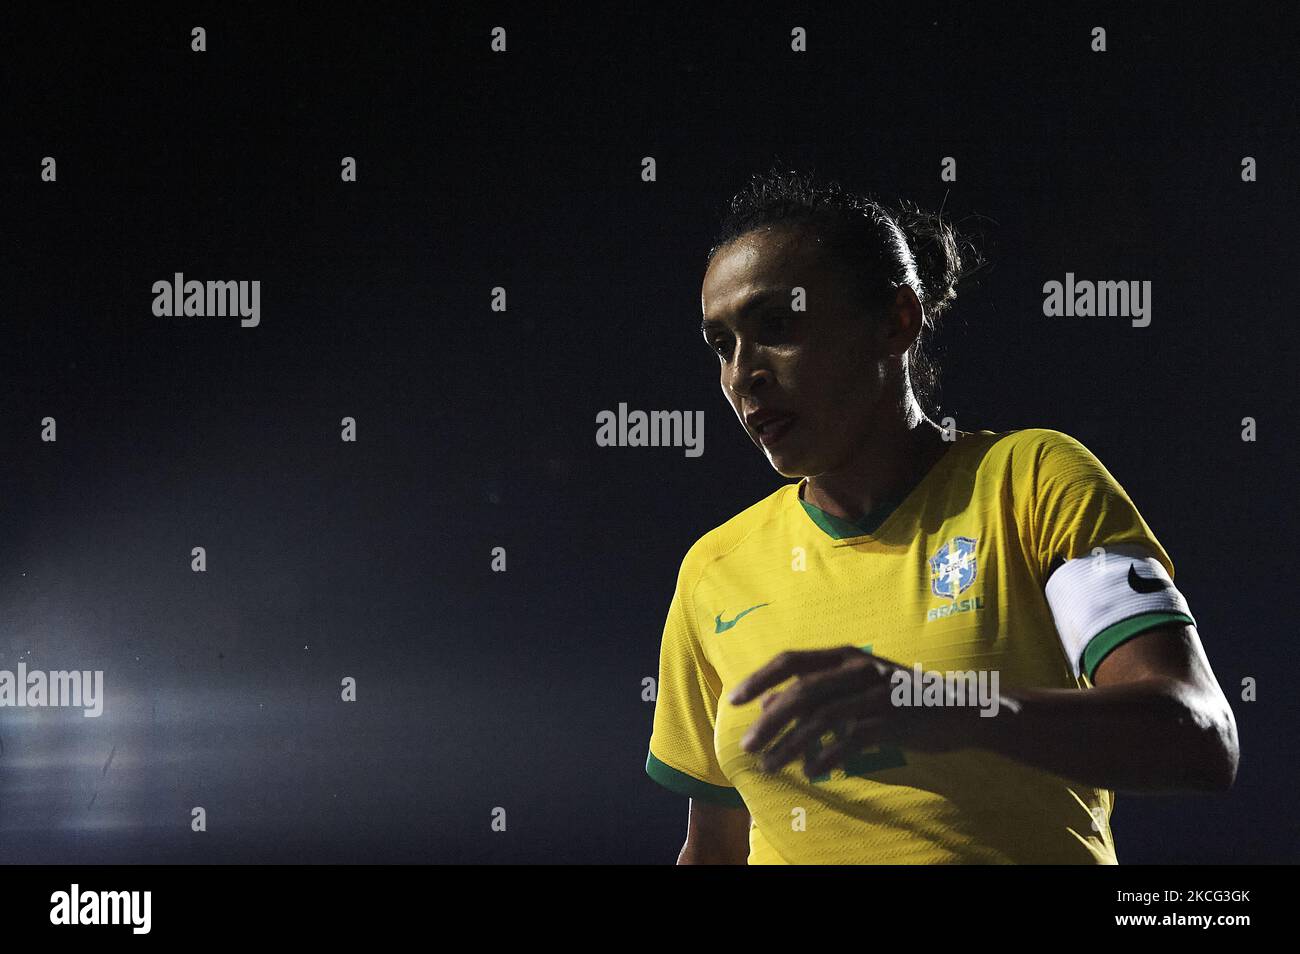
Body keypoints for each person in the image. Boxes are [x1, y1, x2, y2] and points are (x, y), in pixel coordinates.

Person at [644, 166, 1239, 864]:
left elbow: (1197, 736)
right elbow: (713, 847)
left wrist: (951, 707)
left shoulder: (1034, 481)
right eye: (722, 344)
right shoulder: (715, 570)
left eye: (778, 325)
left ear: (896, 321)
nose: (744, 372)